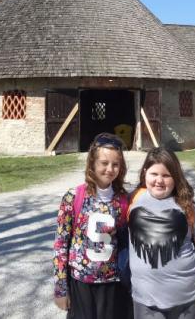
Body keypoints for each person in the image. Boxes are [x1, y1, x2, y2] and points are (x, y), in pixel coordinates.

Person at [52, 133, 132, 319]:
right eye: (104, 163)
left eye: (115, 164)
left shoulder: (123, 200)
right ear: (92, 164)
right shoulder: (73, 197)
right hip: (81, 284)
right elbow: (60, 245)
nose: (110, 169)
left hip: (113, 284)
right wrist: (60, 289)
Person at [128, 147, 195, 319]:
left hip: (187, 300)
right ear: (145, 173)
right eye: (154, 174)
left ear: (176, 176)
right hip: (145, 301)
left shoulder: (189, 207)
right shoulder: (132, 200)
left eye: (166, 175)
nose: (159, 180)